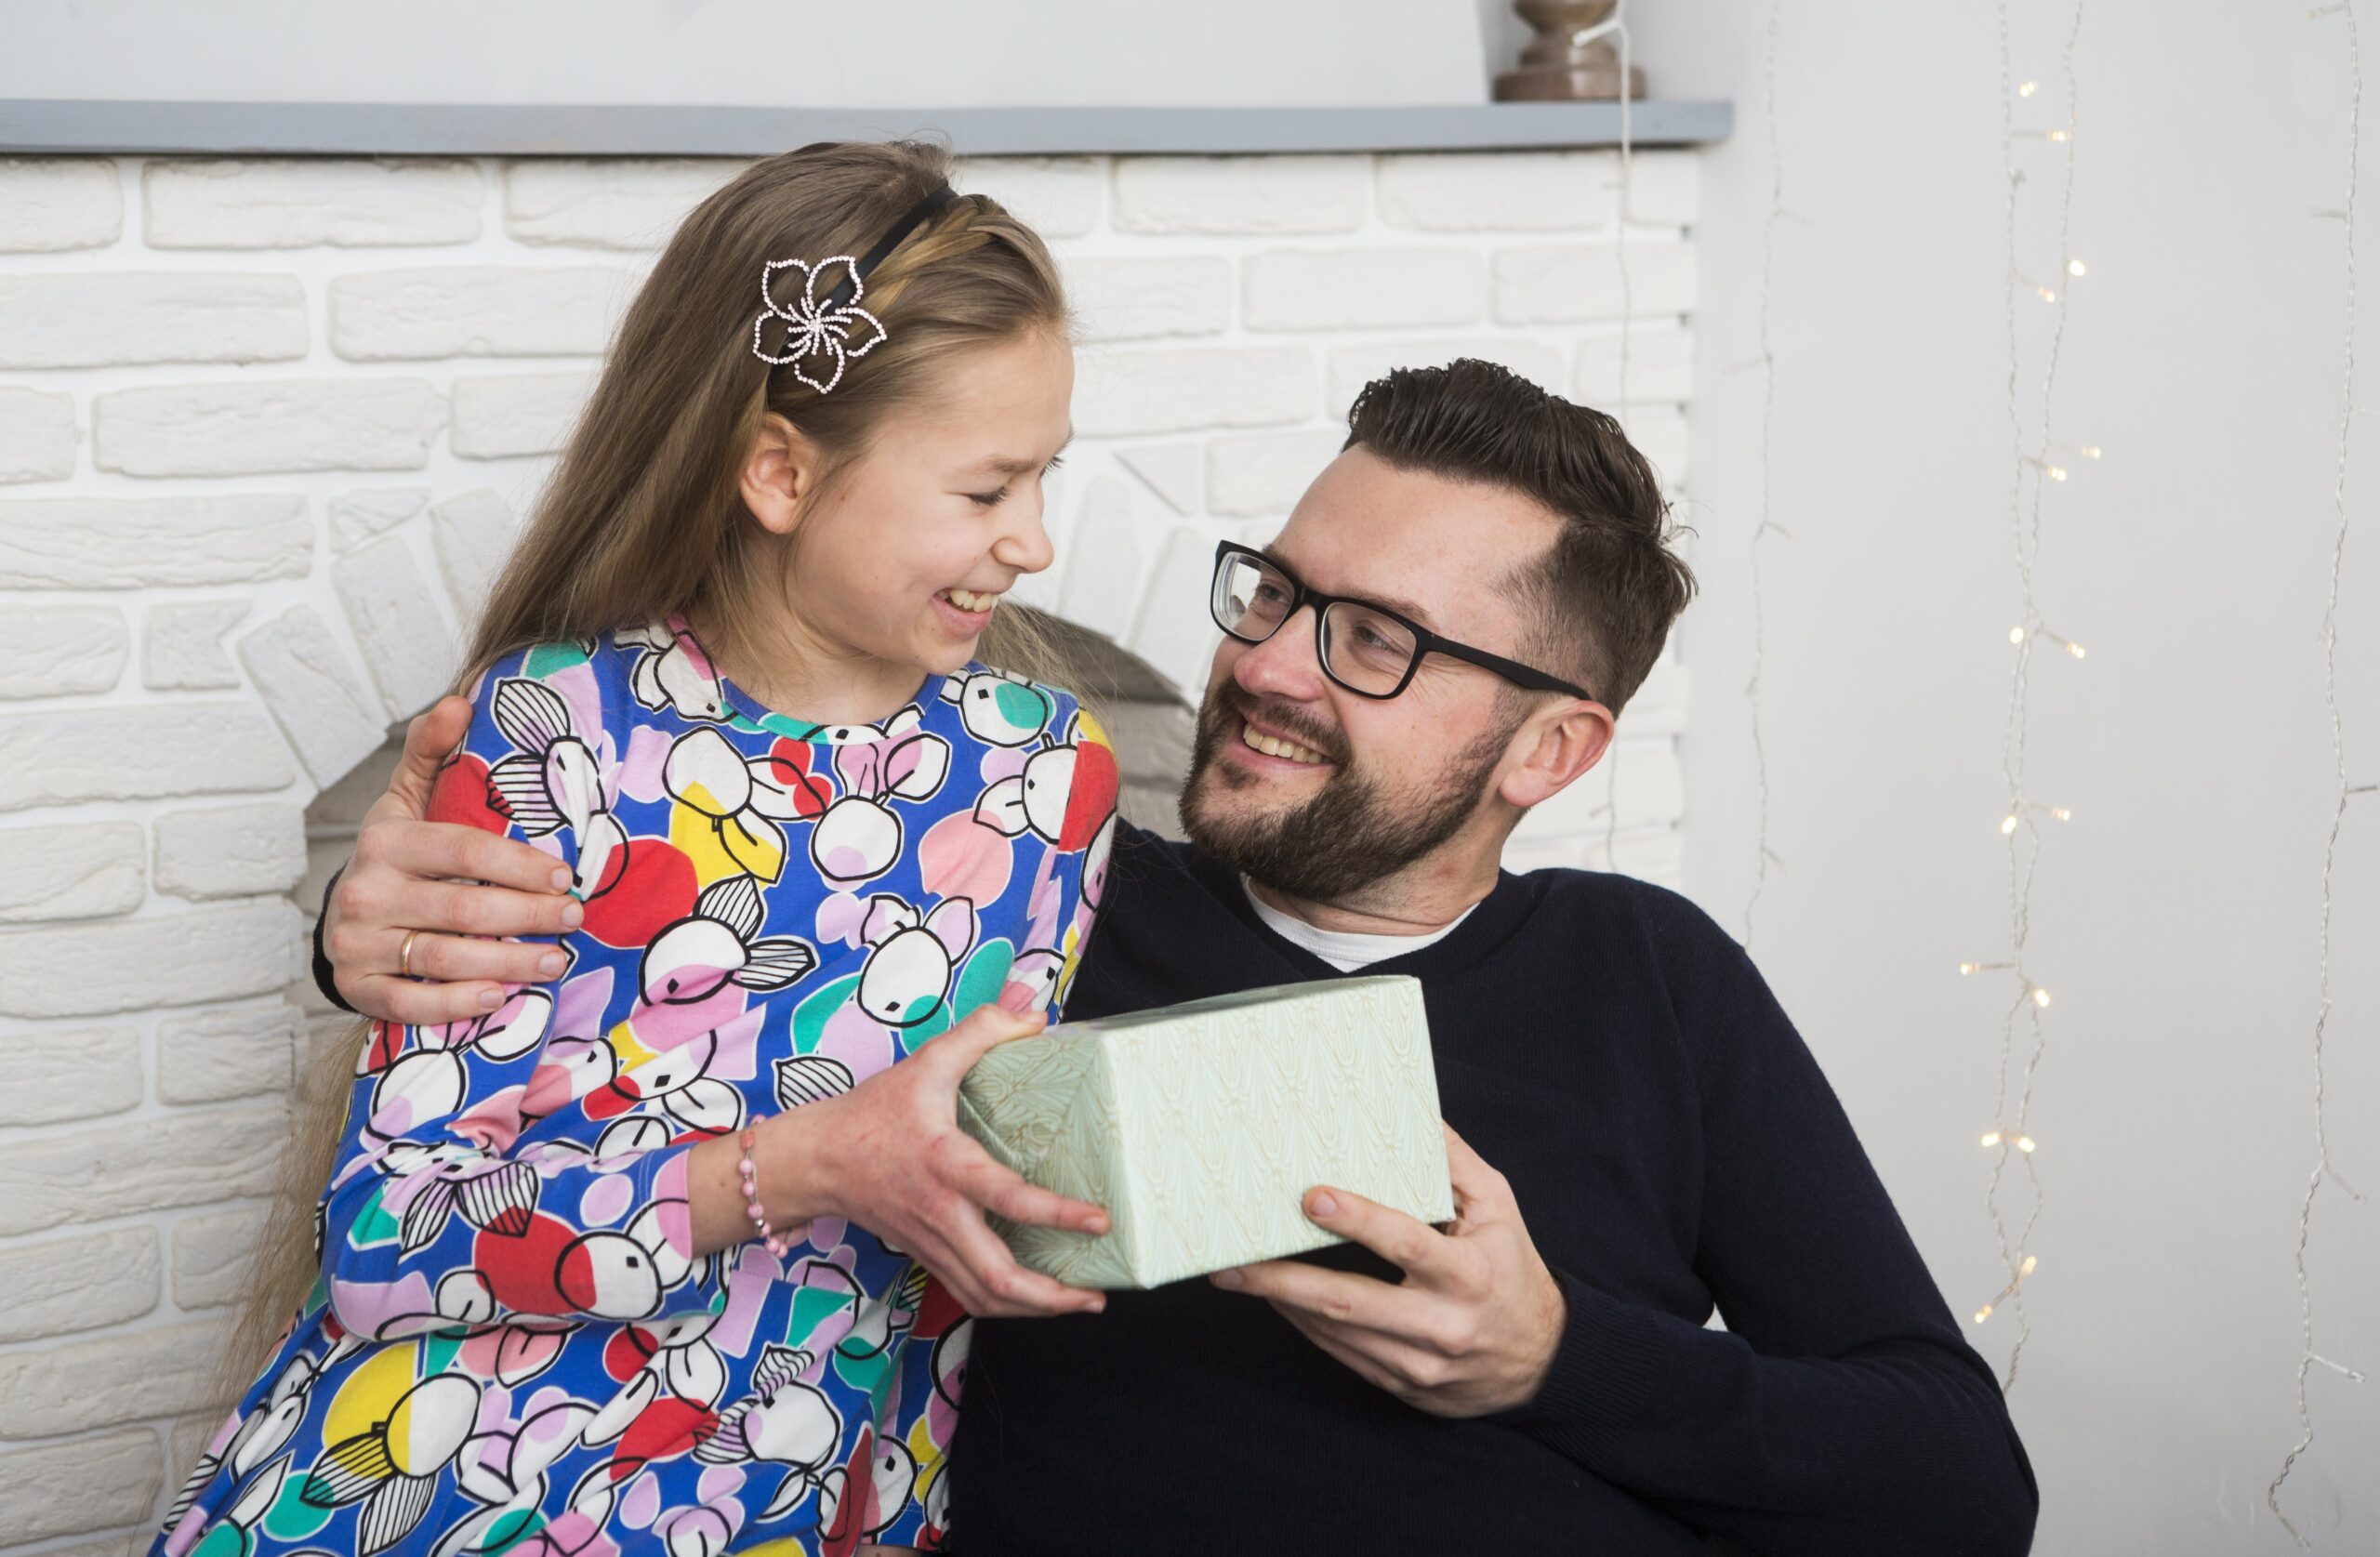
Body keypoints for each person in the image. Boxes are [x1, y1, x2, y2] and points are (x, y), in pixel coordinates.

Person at [311, 361, 2042, 1554]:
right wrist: (370, 933)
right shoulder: (1014, 898)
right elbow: (608, 1066)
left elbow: (1957, 1486)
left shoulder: (1651, 978)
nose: (1273, 664)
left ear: (1552, 755)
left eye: (1373, 641)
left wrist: (1559, 1355)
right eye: (1276, 593)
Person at [155, 140, 1120, 1557]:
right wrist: (805, 1165)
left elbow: (1009, 1174)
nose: (1032, 541)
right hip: (463, 1490)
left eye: (1046, 477)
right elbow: (387, 1240)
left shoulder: (1050, 775)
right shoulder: (555, 741)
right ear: (781, 472)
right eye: (984, 492)